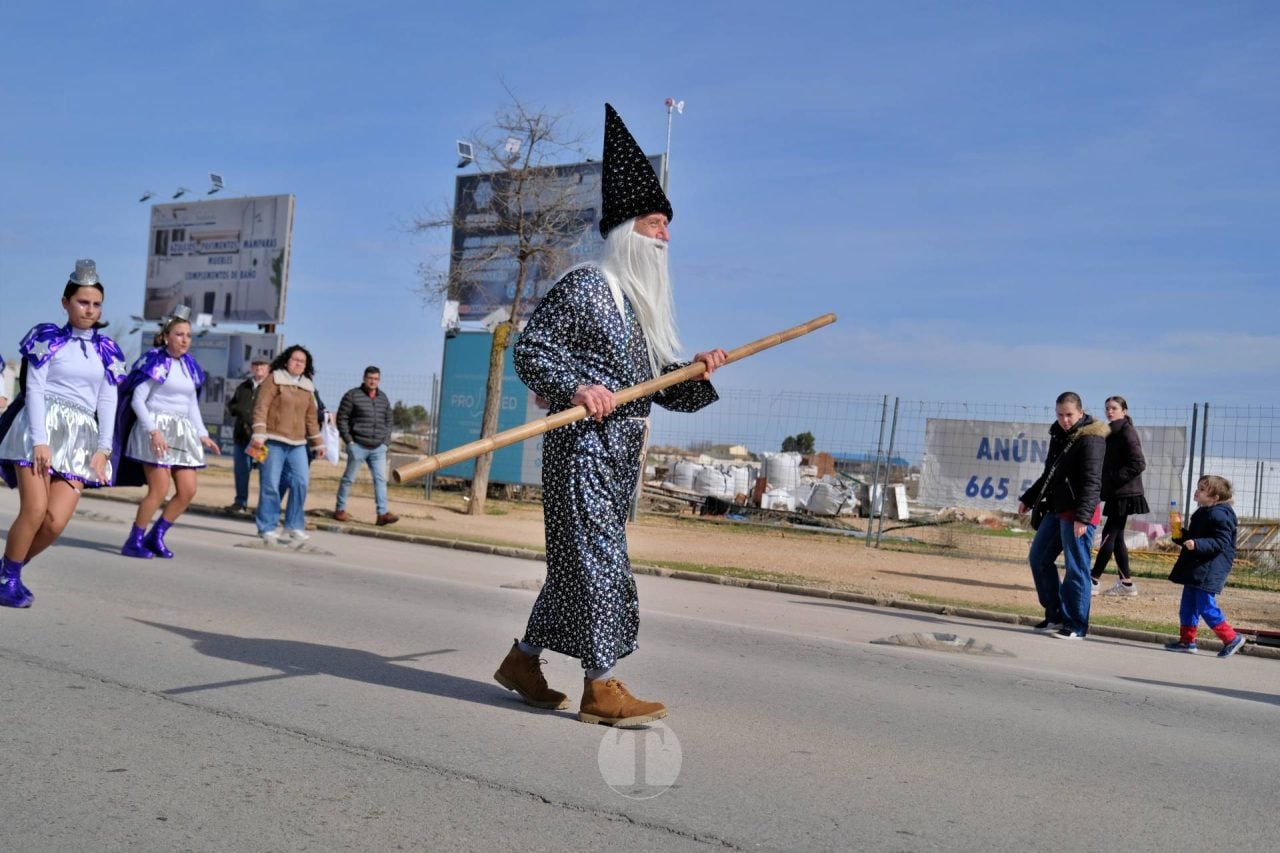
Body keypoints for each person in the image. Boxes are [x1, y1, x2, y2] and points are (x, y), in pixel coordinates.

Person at [492, 104, 726, 727]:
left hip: (620, 456)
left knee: (578, 563)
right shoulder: (587, 285)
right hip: (581, 452)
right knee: (599, 560)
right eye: (656, 225)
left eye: (668, 227)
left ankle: (523, 660)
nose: (666, 238)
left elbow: (656, 388)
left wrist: (696, 370)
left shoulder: (640, 311)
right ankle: (602, 686)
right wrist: (575, 388)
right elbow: (533, 347)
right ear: (628, 229)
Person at [0, 260, 127, 607]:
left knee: (55, 523)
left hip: (81, 437)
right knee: (36, 510)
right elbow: (35, 389)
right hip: (37, 430)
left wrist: (103, 449)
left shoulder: (107, 350)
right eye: (82, 302)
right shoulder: (47, 338)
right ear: (65, 302)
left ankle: (8, 570)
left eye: (96, 304)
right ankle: (7, 579)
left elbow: (107, 399)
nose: (90, 309)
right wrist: (40, 440)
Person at [114, 307, 221, 558]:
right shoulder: (154, 361)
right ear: (166, 336)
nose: (185, 340)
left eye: (188, 335)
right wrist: (152, 431)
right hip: (155, 429)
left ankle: (156, 535)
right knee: (159, 490)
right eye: (179, 334)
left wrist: (202, 433)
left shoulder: (190, 366)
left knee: (187, 490)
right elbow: (138, 400)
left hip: (182, 430)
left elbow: (191, 404)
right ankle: (134, 540)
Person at [1017, 392, 1108, 640]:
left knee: (1076, 568)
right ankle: (1055, 614)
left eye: (1069, 415)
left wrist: (1083, 516)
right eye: (1060, 415)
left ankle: (1076, 625)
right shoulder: (1059, 434)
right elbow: (1051, 473)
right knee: (1038, 558)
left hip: (1078, 513)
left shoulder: (1091, 439)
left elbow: (1092, 482)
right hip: (1056, 509)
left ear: (1081, 412)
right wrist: (1029, 498)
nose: (1065, 420)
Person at [1164, 475, 1247, 657]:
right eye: (1198, 487)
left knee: (1205, 606)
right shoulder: (1203, 512)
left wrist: (1197, 544)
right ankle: (1187, 640)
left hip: (1210, 568)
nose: (1197, 491)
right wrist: (1180, 535)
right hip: (1198, 567)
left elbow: (1221, 542)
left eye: (1202, 489)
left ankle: (1231, 638)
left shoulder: (1220, 514)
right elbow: (1194, 539)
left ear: (1215, 498)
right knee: (1188, 605)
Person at [249, 345, 324, 546]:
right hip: (272, 440)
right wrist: (259, 433)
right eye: (294, 359)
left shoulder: (308, 386)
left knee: (301, 482)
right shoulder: (274, 379)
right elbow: (261, 407)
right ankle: (266, 527)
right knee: (271, 484)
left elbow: (311, 418)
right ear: (286, 360)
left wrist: (317, 442)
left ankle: (293, 525)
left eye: (302, 361)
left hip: (298, 443)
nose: (298, 363)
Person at [1090, 396, 1149, 596]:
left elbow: (1139, 463)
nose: (1109, 411)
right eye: (1107, 408)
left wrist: (1114, 478)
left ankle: (1093, 580)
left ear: (1124, 411)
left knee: (1109, 534)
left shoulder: (1127, 432)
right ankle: (1127, 584)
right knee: (1117, 538)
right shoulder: (1113, 432)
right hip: (1117, 493)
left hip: (1125, 494)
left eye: (1114, 408)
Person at [333, 366, 398, 525]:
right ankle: (340, 510)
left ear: (379, 380)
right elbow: (342, 419)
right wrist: (350, 442)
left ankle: (382, 514)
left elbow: (389, 421)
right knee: (349, 479)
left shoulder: (383, 398)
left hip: (378, 448)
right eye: (370, 378)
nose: (373, 381)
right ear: (364, 378)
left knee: (380, 480)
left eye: (376, 379)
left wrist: (385, 442)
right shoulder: (352, 395)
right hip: (358, 446)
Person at [224, 356, 271, 515]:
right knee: (241, 471)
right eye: (256, 365)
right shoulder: (244, 386)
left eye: (262, 365)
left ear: (268, 368)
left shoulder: (271, 387)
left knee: (265, 473)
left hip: (260, 439)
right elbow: (232, 405)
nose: (259, 368)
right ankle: (240, 503)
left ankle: (263, 507)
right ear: (251, 368)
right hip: (242, 436)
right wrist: (240, 410)